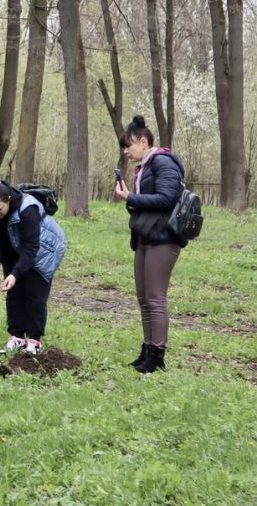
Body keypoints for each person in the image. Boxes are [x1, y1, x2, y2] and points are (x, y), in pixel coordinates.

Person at [112, 115, 187, 374]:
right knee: (143, 298)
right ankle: (147, 349)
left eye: (129, 145)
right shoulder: (143, 167)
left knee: (155, 299)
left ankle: (157, 355)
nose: (126, 151)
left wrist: (132, 196)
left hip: (164, 238)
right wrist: (130, 199)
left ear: (143, 141)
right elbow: (144, 204)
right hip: (145, 236)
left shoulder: (163, 162)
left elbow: (167, 198)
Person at [0, 180, 67, 356]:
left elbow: (31, 248)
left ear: (8, 200)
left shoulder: (28, 210)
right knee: (13, 293)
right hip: (12, 250)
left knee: (34, 295)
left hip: (43, 251)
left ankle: (34, 341)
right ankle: (17, 337)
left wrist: (16, 273)